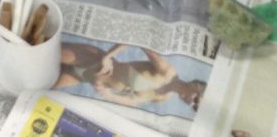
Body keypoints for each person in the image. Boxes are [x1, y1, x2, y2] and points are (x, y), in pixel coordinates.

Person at [56, 42, 206, 111]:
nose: (191, 104)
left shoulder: (163, 98)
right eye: (196, 100)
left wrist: (108, 95)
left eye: (194, 107)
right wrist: (108, 57)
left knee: (44, 84)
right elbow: (140, 39)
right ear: (197, 86)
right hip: (91, 59)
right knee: (44, 49)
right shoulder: (167, 72)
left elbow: (133, 101)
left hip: (85, 78)